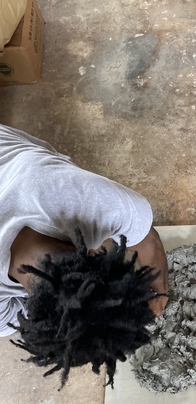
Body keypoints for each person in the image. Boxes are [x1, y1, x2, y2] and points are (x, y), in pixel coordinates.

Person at [0, 124, 168, 388]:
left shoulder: (86, 198)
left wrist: (160, 292)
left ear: (95, 254)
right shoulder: (81, 199)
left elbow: (149, 241)